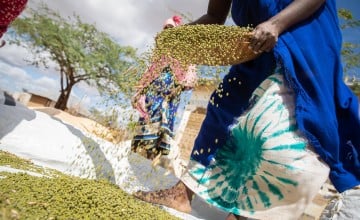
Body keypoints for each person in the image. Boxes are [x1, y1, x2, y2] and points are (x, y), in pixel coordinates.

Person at [133, 0, 360, 219]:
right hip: (256, 46)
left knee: (276, 127)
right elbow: (215, 16)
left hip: (305, 40)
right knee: (224, 109)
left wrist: (276, 24)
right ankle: (182, 193)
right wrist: (178, 39)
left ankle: (246, 216)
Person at [131, 15, 197, 160]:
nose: (168, 31)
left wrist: (180, 85)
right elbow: (151, 70)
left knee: (164, 121)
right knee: (150, 116)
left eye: (171, 29)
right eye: (166, 29)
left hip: (172, 92)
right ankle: (141, 151)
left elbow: (189, 73)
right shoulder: (161, 51)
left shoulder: (184, 51)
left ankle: (152, 155)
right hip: (154, 91)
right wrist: (139, 90)